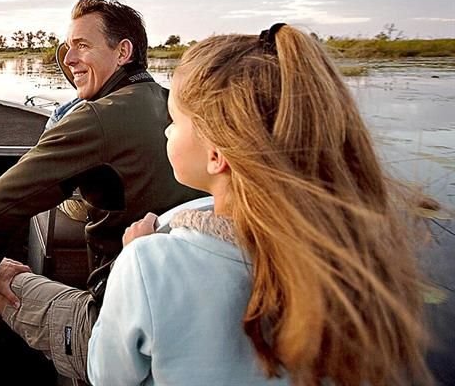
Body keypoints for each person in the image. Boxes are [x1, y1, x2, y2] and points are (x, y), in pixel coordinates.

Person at [88, 24, 432, 385]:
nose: (167, 130)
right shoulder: (356, 258)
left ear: (216, 154)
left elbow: (105, 375)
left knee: (27, 290)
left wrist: (130, 255)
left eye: (174, 121)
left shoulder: (148, 262)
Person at [0, 0, 205, 382]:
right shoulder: (172, 104)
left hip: (114, 322)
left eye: (82, 45)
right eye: (66, 47)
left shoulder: (96, 117)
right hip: (186, 313)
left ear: (123, 51)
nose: (69, 58)